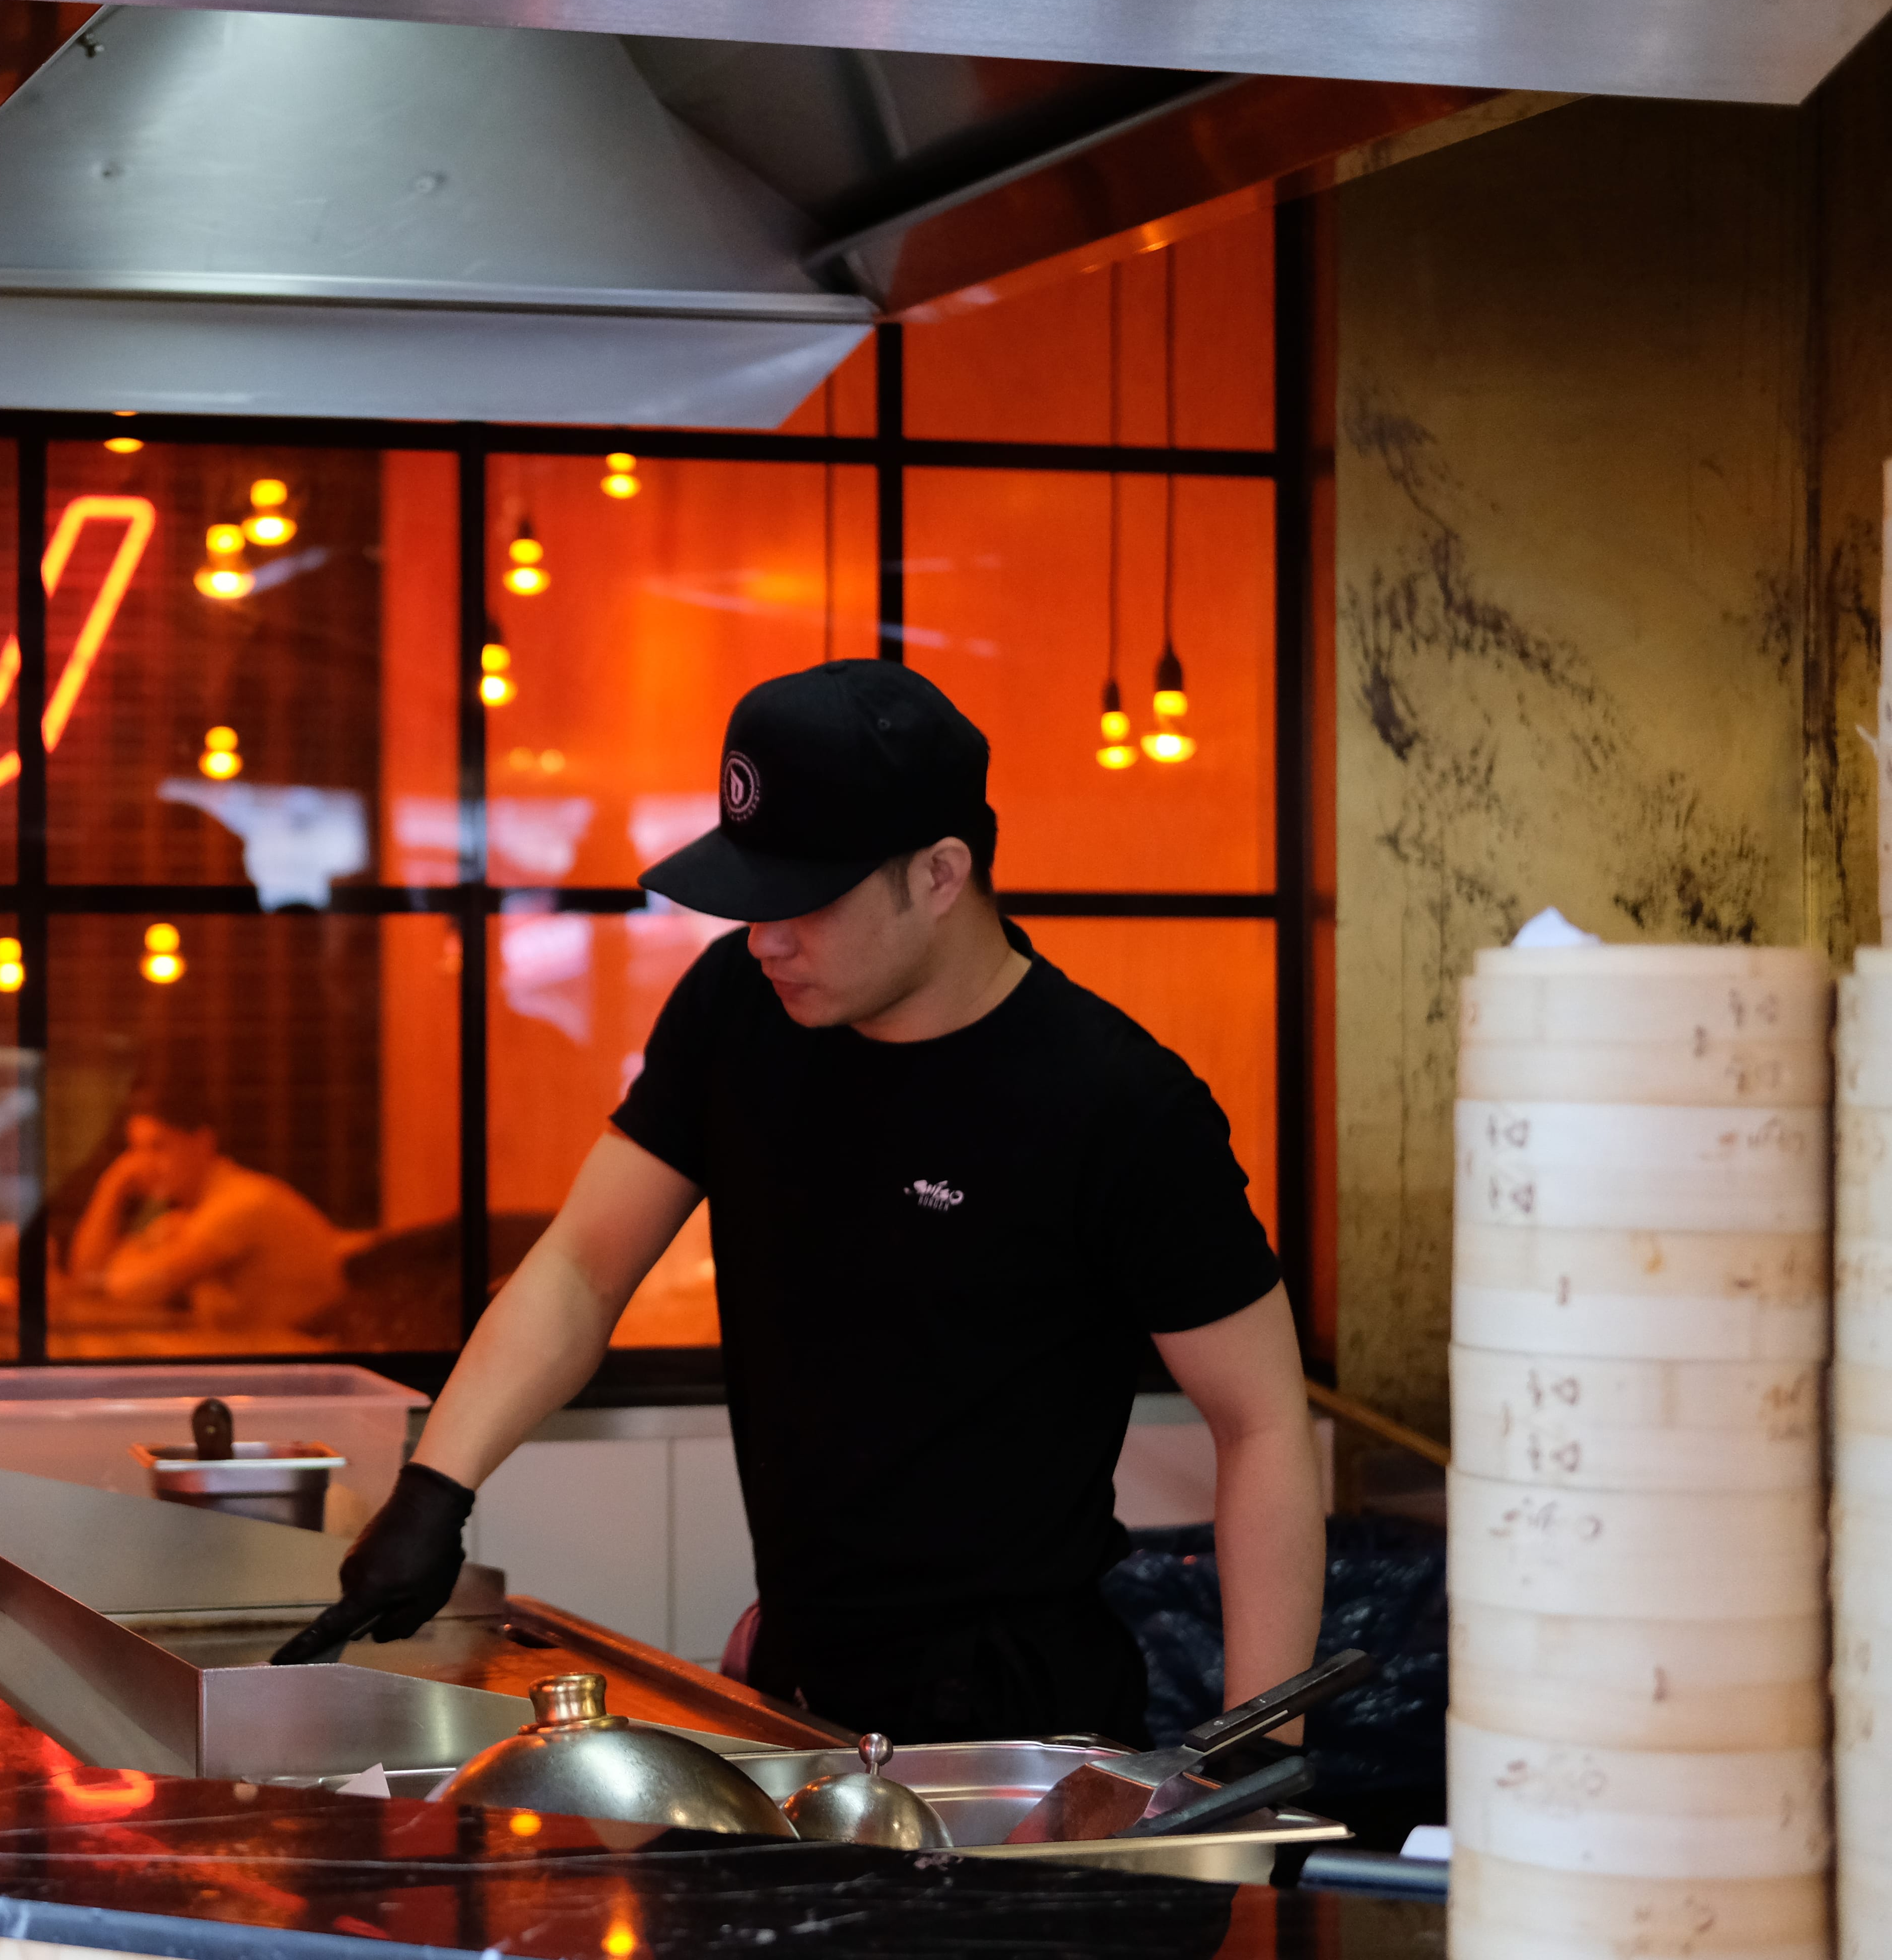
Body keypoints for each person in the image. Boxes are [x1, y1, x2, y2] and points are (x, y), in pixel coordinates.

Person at [275, 660, 1324, 1747]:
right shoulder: (738, 1009)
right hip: (796, 1684)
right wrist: (437, 1487)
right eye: (748, 895)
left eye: (803, 901)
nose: (764, 935)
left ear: (940, 874)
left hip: (1019, 1715)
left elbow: (1261, 1421)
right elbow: (584, 1267)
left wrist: (1262, 1752)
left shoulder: (1115, 1102)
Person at [68, 1080, 349, 1347]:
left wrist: (128, 1261)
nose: (142, 1165)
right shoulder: (191, 1212)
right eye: (135, 1151)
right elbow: (90, 1275)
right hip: (260, 1364)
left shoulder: (242, 1203)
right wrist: (112, 1186)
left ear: (203, 1143)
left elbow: (133, 1290)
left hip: (305, 1370)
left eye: (158, 1147)